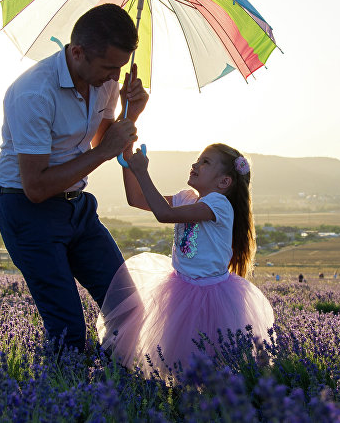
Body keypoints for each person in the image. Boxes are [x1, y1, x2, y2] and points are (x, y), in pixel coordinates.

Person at [0, 4, 149, 352]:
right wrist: (103, 151)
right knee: (68, 334)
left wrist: (131, 113)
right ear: (77, 52)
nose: (115, 78)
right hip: (28, 211)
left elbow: (100, 136)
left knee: (129, 309)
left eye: (120, 68)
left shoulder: (105, 82)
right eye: (109, 67)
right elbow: (36, 187)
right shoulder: (34, 93)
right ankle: (67, 403)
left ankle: (121, 396)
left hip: (77, 207)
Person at [96, 143, 274, 377]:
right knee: (177, 360)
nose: (195, 164)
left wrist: (142, 171)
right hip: (180, 287)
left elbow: (165, 215)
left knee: (215, 359)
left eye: (205, 162)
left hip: (211, 296)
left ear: (224, 182)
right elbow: (136, 199)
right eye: (198, 160)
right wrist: (128, 164)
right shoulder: (186, 197)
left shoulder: (218, 204)